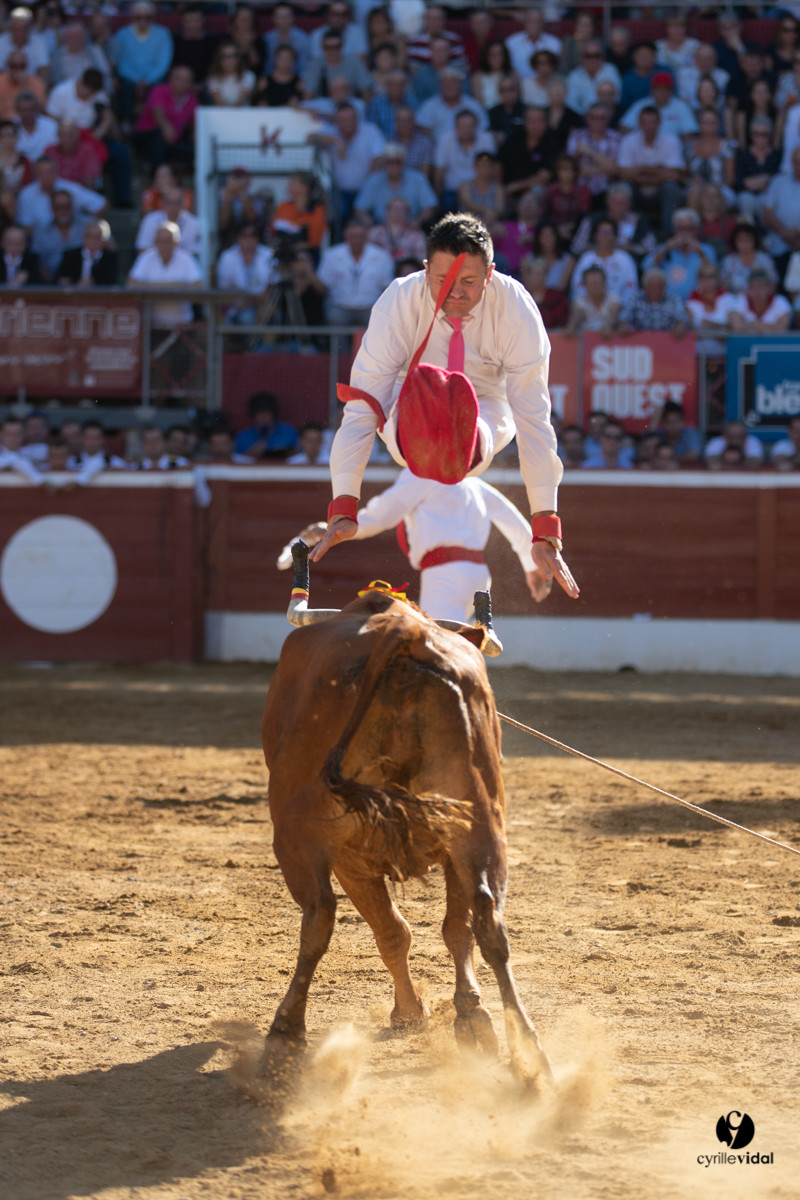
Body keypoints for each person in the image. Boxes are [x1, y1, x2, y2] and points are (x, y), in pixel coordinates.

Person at [309, 212, 579, 603]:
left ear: (490, 275)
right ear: (424, 270)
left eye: (468, 282)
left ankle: (461, 437)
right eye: (443, 280)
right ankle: (437, 428)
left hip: (487, 406)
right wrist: (343, 505)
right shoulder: (399, 301)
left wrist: (546, 528)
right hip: (409, 400)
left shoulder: (517, 308)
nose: (455, 292)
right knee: (400, 405)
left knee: (482, 427)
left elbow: (534, 421)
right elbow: (363, 407)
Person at [289, 470, 553, 619]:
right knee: (460, 643)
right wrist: (531, 566)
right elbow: (514, 522)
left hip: (445, 576)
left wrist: (334, 529)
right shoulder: (471, 481)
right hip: (478, 575)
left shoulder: (424, 475)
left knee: (439, 649)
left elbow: (380, 516)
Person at [617, 104, 685, 239]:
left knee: (671, 188)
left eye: (653, 122)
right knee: (623, 188)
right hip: (637, 190)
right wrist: (659, 172)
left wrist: (642, 169)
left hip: (660, 191)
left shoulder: (671, 141)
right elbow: (623, 174)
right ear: (639, 123)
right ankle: (627, 235)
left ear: (659, 123)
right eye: (645, 122)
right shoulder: (628, 141)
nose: (649, 126)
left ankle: (668, 235)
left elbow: (674, 174)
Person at [316, 218, 394, 326]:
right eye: (352, 236)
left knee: (378, 320)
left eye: (360, 236)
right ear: (346, 237)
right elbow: (323, 285)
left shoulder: (382, 256)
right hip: (340, 305)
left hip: (371, 305)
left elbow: (387, 286)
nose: (356, 240)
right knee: (335, 317)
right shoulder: (332, 255)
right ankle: (337, 344)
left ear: (365, 237)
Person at [111, 0, 173, 128]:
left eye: (147, 17)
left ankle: (152, 124)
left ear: (153, 18)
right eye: (138, 17)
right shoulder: (122, 35)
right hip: (129, 77)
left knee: (158, 87)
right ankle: (126, 122)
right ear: (132, 17)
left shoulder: (163, 34)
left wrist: (147, 80)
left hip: (154, 77)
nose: (142, 21)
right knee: (125, 86)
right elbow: (121, 63)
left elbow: (163, 62)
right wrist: (137, 80)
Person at [215, 223, 276, 323]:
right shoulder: (227, 257)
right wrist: (249, 301)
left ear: (258, 238)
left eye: (253, 235)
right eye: (244, 235)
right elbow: (224, 289)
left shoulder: (268, 254)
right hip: (237, 307)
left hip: (264, 303)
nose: (249, 239)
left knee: (268, 313)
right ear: (238, 238)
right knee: (247, 317)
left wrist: (254, 301)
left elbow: (274, 286)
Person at [618, 267, 689, 336]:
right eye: (651, 286)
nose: (655, 290)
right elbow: (625, 316)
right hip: (642, 342)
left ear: (665, 287)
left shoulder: (674, 299)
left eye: (659, 286)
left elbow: (681, 316)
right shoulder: (635, 298)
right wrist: (624, 324)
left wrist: (680, 324)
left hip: (669, 342)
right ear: (644, 287)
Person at [135, 186, 201, 258]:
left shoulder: (194, 223)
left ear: (184, 203)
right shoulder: (149, 220)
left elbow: (196, 253)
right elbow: (142, 250)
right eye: (169, 202)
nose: (173, 206)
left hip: (184, 267)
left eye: (177, 202)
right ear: (162, 202)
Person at [234, 391, 298, 461]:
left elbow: (301, 456)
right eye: (260, 414)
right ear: (253, 415)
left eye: (267, 414)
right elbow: (235, 460)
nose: (264, 418)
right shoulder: (243, 436)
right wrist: (250, 455)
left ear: (274, 414)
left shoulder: (289, 431)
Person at [728, 268, 792, 334]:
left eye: (761, 287)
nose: (757, 292)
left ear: (768, 288)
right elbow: (736, 327)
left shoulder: (780, 301)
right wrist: (768, 327)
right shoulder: (741, 300)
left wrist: (755, 325)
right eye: (753, 287)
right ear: (748, 290)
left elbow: (782, 328)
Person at [56, 218, 117, 285]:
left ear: (105, 240)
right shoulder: (70, 255)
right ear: (83, 237)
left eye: (97, 237)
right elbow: (60, 279)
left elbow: (110, 283)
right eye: (89, 236)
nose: (93, 241)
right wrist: (77, 285)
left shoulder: (110, 257)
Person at [564, 263, 620, 336]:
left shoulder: (613, 298)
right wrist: (571, 327)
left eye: (598, 283)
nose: (595, 286)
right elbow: (576, 317)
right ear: (585, 285)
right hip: (587, 341)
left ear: (604, 283)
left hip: (610, 341)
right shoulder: (580, 301)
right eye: (592, 283)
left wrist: (609, 326)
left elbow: (614, 316)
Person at [649, 400, 703, 467]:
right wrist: (654, 421)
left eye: (677, 421)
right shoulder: (658, 434)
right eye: (670, 422)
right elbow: (648, 453)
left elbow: (694, 455)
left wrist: (670, 460)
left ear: (683, 421)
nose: (674, 426)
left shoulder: (691, 433)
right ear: (663, 423)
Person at [205, 40, 255, 108]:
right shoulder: (213, 77)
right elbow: (219, 103)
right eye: (225, 56)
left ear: (238, 58)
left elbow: (240, 101)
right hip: (220, 116)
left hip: (244, 116)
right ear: (219, 59)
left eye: (233, 56)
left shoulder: (248, 76)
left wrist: (229, 114)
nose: (229, 60)